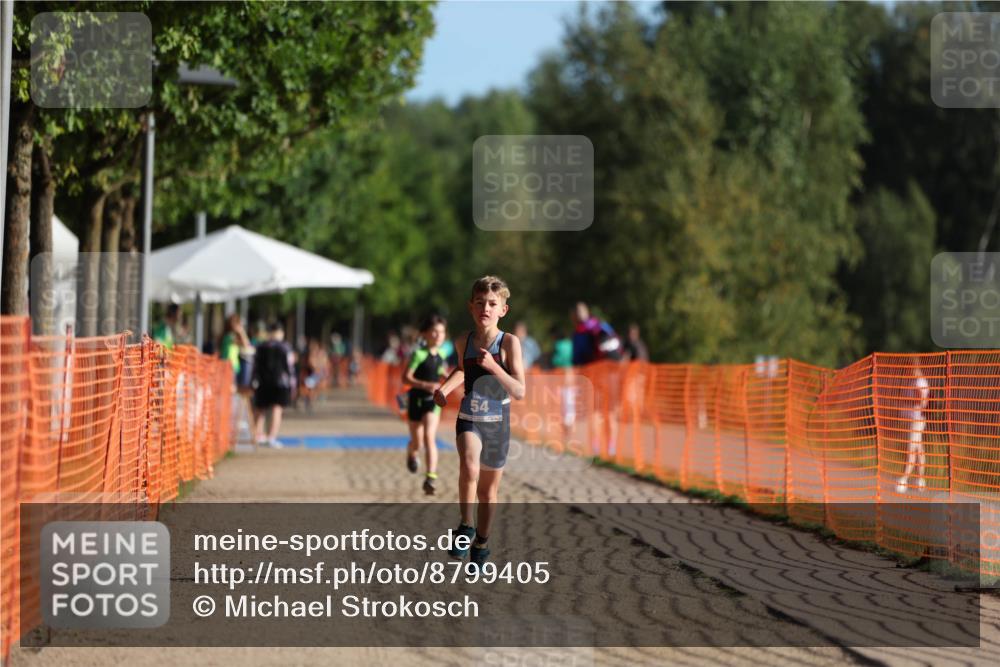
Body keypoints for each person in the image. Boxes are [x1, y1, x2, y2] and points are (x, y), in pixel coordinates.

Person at [435, 276, 525, 570]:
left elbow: (519, 390)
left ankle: (482, 542)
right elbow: (461, 369)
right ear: (470, 308)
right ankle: (465, 526)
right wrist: (444, 390)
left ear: (503, 310)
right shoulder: (464, 341)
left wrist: (493, 367)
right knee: (469, 467)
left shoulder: (509, 343)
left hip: (498, 421)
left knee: (488, 492)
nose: (485, 308)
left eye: (492, 304)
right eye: (479, 303)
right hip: (470, 416)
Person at [402, 315, 449, 495]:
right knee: (418, 443)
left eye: (442, 332)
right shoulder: (419, 354)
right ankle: (411, 452)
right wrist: (425, 385)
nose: (438, 335)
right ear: (425, 334)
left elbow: (437, 369)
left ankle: (431, 477)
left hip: (432, 402)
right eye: (434, 332)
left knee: (430, 436)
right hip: (416, 400)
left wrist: (446, 375)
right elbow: (405, 378)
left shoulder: (442, 354)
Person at [252, 322, 295, 449]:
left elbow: (255, 366)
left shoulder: (260, 346)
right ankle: (271, 437)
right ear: (280, 333)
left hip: (262, 382)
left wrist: (253, 380)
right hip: (280, 383)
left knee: (260, 410)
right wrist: (293, 384)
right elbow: (290, 367)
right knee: (277, 409)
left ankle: (257, 435)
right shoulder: (285, 347)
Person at [896, 360, 930, 494]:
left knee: (911, 448)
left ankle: (904, 479)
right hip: (912, 419)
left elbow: (922, 402)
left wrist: (907, 401)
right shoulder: (913, 381)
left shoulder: (920, 383)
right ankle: (920, 480)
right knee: (918, 449)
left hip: (917, 420)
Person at [571, 302, 621, 366]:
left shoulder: (580, 333)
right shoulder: (601, 324)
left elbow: (578, 358)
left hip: (593, 369)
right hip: (614, 364)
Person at [219, 314, 252, 385]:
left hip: (232, 366)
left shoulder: (231, 336)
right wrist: (241, 331)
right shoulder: (228, 336)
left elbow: (246, 345)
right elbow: (245, 344)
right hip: (227, 366)